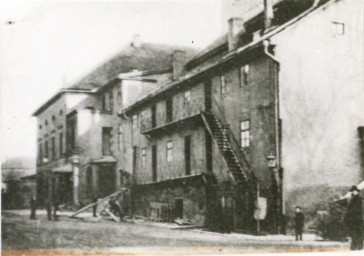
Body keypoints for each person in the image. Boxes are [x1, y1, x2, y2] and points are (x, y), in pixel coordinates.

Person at [344, 185, 363, 250]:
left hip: (357, 219)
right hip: (354, 218)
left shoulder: (358, 199)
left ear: (356, 191)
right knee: (354, 233)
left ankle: (358, 246)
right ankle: (355, 246)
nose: (353, 192)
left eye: (354, 191)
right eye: (352, 191)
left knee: (357, 232)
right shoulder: (353, 199)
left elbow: (356, 210)